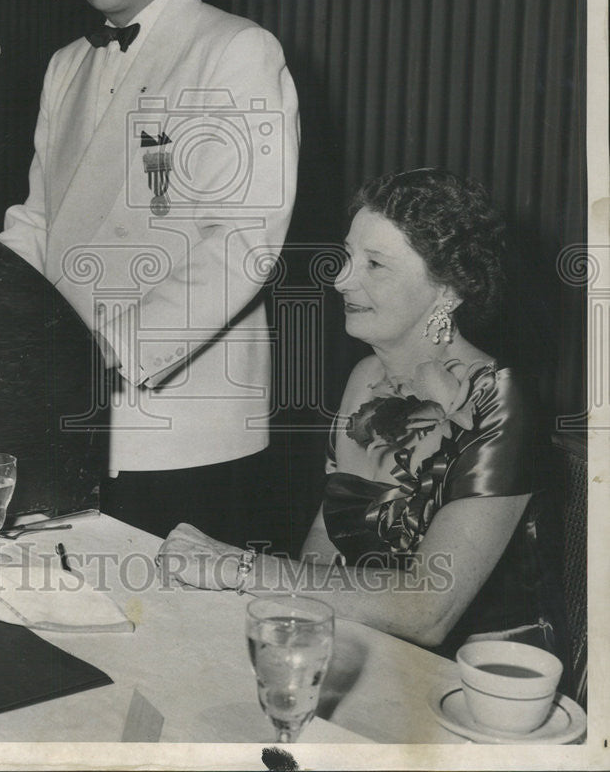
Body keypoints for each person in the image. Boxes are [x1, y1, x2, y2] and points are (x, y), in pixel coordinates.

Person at [0, 0, 300, 543]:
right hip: (71, 422)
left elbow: (243, 240)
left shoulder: (235, 49)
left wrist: (105, 349)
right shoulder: (64, 67)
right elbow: (38, 221)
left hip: (186, 437)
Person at [158, 168, 565, 660]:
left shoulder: (499, 398)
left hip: (487, 675)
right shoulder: (366, 377)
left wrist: (241, 569)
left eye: (374, 264)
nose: (340, 278)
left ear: (448, 291)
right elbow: (324, 551)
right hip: (378, 643)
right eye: (348, 255)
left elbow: (428, 612)